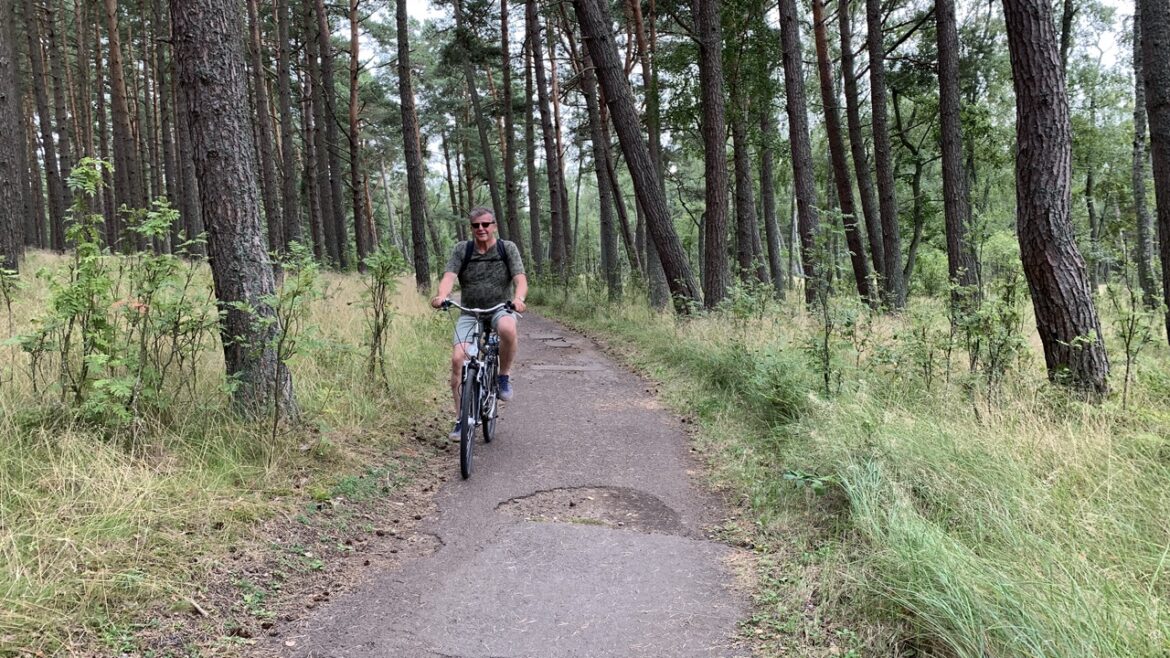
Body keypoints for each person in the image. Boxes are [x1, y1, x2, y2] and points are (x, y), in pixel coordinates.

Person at [430, 207, 528, 439]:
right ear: (471, 228)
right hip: (470, 312)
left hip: (499, 308)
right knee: (458, 359)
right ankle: (461, 420)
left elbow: (520, 279)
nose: (481, 229)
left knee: (507, 327)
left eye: (486, 224)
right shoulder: (462, 250)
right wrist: (442, 296)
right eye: (476, 225)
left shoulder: (507, 248)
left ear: (494, 225)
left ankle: (502, 376)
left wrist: (519, 299)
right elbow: (449, 277)